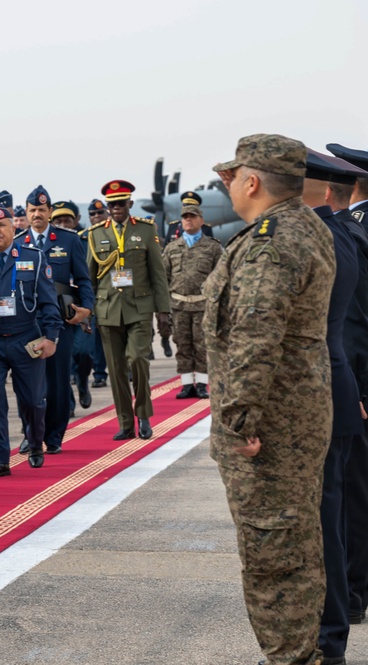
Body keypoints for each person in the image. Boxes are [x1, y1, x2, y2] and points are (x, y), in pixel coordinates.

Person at [205, 134, 335, 665]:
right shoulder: (303, 226)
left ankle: (290, 657)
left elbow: (256, 332)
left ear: (252, 181)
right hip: (295, 415)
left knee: (273, 553)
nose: (228, 186)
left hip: (273, 425)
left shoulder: (271, 241)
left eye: (231, 177)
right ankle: (300, 652)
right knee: (294, 543)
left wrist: (239, 421)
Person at [303, 149, 367, 665]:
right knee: (339, 513)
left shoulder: (331, 239)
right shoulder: (344, 234)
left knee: (334, 517)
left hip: (334, 391)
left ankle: (332, 633)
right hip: (344, 388)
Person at [0, 203, 61, 475]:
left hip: (26, 340)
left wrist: (51, 337)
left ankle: (36, 441)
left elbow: (50, 303)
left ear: (12, 228)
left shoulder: (34, 258)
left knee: (31, 401)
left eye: (1, 226)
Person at [86, 179, 170, 440]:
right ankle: (125, 422)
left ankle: (143, 414)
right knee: (116, 367)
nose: (116, 208)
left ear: (130, 204)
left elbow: (158, 273)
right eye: (112, 204)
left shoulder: (145, 231)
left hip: (140, 307)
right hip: (108, 308)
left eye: (121, 203)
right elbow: (89, 277)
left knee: (137, 359)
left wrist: (163, 311)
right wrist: (87, 312)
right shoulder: (96, 233)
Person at [326, 142, 368, 627]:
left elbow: (357, 324)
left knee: (353, 493)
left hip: (356, 385)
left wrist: (359, 390)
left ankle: (355, 592)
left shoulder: (353, 233)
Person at [19, 188, 92, 455]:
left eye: (41, 210)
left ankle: (54, 435)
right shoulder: (17, 243)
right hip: (26, 323)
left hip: (60, 320)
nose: (37, 214)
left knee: (58, 381)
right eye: (32, 211)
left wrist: (86, 310)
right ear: (26, 214)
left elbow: (83, 280)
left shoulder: (68, 240)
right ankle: (30, 432)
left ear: (49, 212)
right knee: (27, 381)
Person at [161, 197, 222, 399]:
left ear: (201, 221)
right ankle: (187, 384)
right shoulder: (171, 248)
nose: (188, 220)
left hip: (203, 305)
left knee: (202, 346)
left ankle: (203, 384)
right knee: (182, 345)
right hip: (178, 305)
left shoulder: (213, 248)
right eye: (185, 217)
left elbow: (221, 278)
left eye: (192, 217)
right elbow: (164, 277)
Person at [84, 199, 110, 390]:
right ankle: (99, 374)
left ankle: (128, 370)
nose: (96, 217)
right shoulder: (82, 238)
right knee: (96, 339)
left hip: (116, 294)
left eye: (100, 213)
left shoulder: (116, 234)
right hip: (95, 295)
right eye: (92, 214)